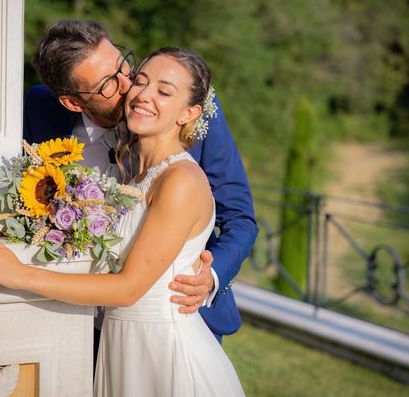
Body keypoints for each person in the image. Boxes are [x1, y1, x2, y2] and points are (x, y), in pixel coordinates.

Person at [0, 47, 245, 396]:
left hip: (161, 350)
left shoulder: (180, 180)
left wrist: (19, 274)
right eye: (141, 82)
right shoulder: (137, 175)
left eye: (164, 91)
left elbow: (128, 288)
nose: (143, 94)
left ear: (189, 113)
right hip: (119, 343)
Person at [22, 20, 257, 345]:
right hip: (77, 323)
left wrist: (210, 279)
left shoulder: (186, 110)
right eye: (108, 83)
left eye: (123, 66)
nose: (129, 85)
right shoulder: (39, 110)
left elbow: (241, 219)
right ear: (73, 103)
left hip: (176, 316)